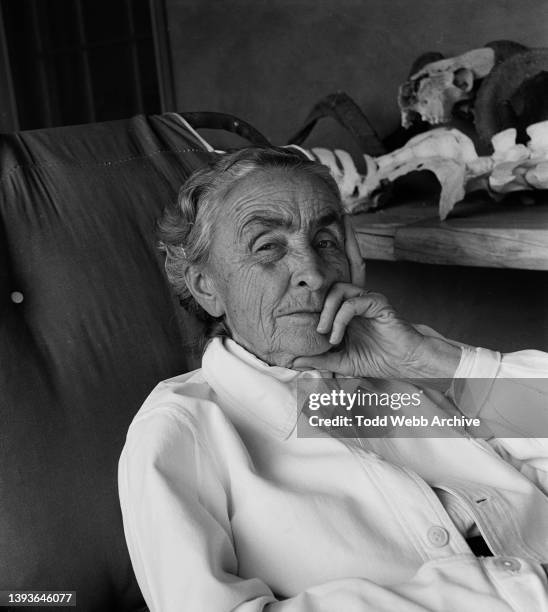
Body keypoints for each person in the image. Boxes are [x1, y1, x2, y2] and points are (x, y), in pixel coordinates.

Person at [118, 147, 548, 611]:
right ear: (206, 286)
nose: (312, 272)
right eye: (268, 247)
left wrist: (440, 363)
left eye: (325, 241)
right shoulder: (183, 429)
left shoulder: (413, 363)